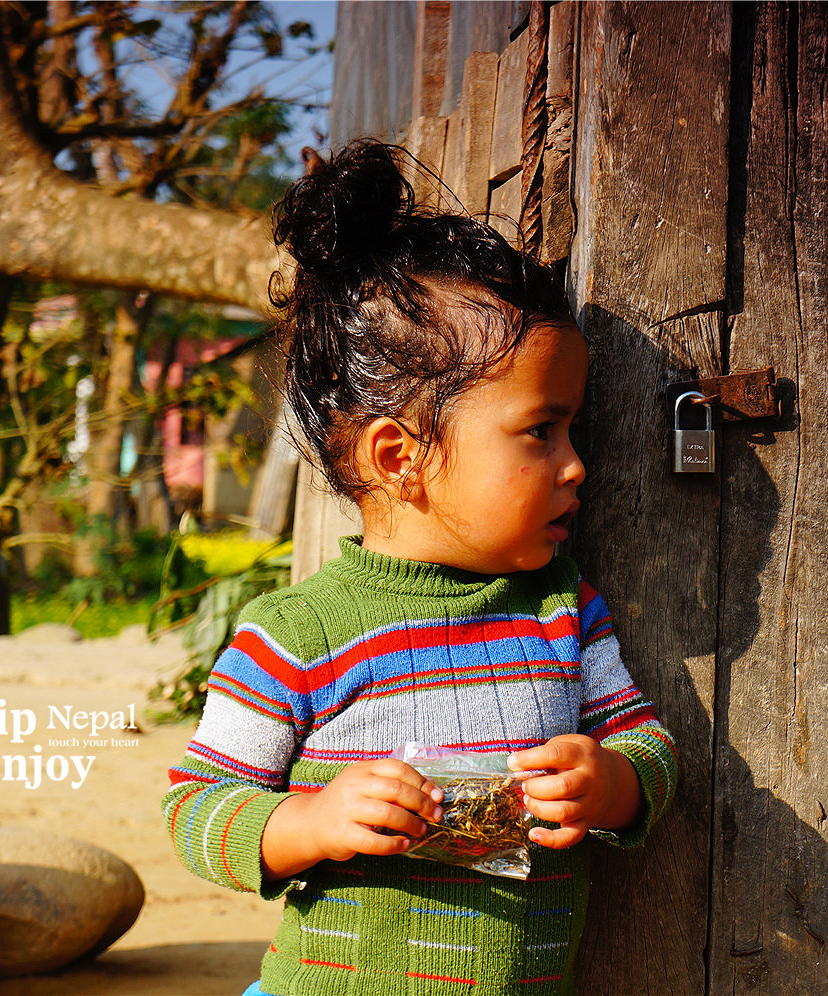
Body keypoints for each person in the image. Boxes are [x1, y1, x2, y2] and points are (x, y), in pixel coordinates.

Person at [161, 140, 677, 996]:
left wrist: (612, 782)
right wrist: (313, 821)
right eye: (541, 431)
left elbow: (645, 742)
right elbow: (194, 807)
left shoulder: (560, 610)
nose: (577, 463)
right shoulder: (297, 634)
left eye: (574, 431)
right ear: (400, 455)